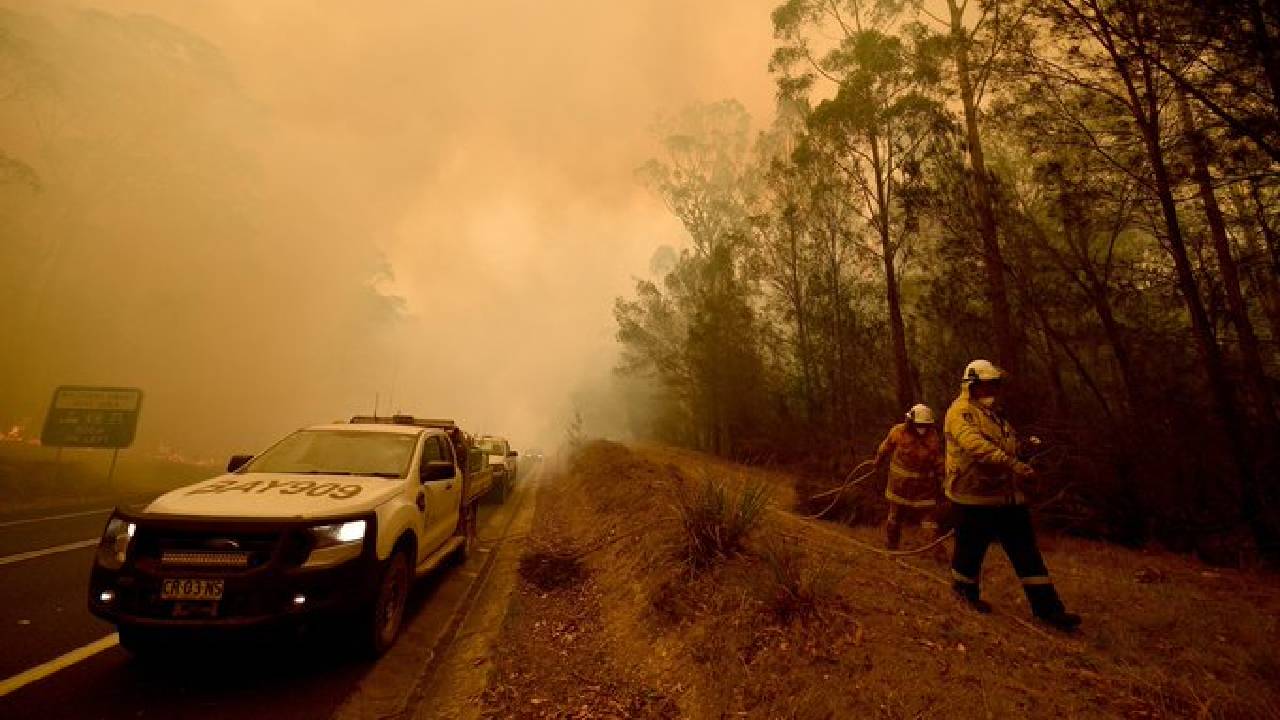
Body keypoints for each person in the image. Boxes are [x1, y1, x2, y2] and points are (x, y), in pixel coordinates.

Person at [945, 359, 1082, 631]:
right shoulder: (960, 412)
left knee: (1026, 552)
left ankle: (1049, 610)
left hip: (1007, 497)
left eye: (995, 384)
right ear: (971, 384)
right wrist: (1014, 465)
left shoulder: (994, 415)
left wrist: (1024, 449)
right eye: (987, 384)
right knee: (970, 553)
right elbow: (975, 446)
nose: (993, 389)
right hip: (972, 497)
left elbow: (1005, 445)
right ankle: (964, 597)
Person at [873, 404, 945, 550]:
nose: (922, 428)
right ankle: (891, 546)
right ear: (910, 421)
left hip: (924, 488)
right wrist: (877, 463)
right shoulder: (898, 432)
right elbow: (884, 448)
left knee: (929, 521)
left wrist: (944, 480)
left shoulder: (933, 438)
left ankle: (936, 551)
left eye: (925, 425)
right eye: (919, 424)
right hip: (899, 487)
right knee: (895, 517)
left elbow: (938, 461)